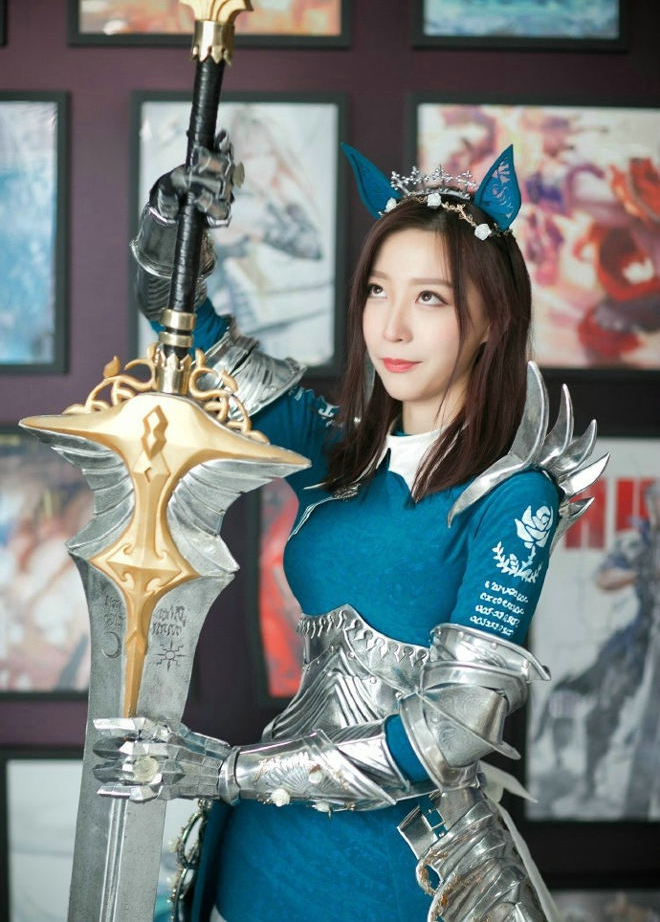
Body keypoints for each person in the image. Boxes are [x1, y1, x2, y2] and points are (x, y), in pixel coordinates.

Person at [95, 137, 606, 921]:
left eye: (430, 298)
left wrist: (228, 772)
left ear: (490, 320)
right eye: (377, 290)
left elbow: (449, 735)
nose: (391, 327)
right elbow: (186, 333)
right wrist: (174, 228)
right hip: (261, 852)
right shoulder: (339, 450)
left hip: (406, 877)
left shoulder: (515, 497)